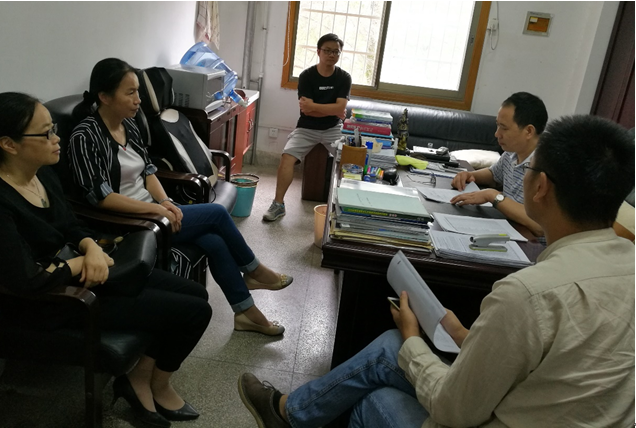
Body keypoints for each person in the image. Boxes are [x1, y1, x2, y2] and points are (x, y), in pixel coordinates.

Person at [238, 114, 635, 427]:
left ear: (541, 186)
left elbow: (453, 410)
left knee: (376, 396)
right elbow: (552, 364)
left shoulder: (527, 293)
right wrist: (465, 335)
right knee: (391, 347)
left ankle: (294, 415)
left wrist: (414, 338)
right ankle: (289, 413)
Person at [0, 92, 214, 427]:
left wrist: (92, 247)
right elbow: (25, 278)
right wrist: (80, 263)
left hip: (83, 274)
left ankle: (139, 378)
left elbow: (70, 225)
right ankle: (155, 384)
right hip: (52, 301)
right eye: (46, 133)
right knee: (195, 312)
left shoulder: (42, 174)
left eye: (54, 129)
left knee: (195, 293)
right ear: (8, 144)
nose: (57, 139)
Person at [69, 58, 291, 336]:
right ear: (104, 96)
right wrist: (156, 211)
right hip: (125, 223)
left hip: (153, 211)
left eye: (138, 91)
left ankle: (247, 314)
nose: (138, 100)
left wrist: (165, 202)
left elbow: (149, 172)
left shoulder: (129, 125)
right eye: (130, 92)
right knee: (217, 213)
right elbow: (101, 198)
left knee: (214, 242)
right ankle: (254, 271)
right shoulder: (85, 136)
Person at [262, 33, 352, 221]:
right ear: (318, 52)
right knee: (287, 158)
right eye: (327, 51)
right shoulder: (307, 76)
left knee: (349, 162)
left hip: (333, 128)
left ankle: (345, 208)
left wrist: (318, 108)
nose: (332, 55)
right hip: (306, 128)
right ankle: (278, 204)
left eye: (336, 52)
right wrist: (332, 110)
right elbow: (307, 110)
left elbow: (339, 108)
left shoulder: (344, 77)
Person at [450, 92, 548, 237]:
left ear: (528, 131)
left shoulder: (545, 167)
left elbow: (539, 225)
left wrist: (492, 195)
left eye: (504, 128)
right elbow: (493, 174)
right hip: (507, 228)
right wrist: (469, 175)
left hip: (530, 243)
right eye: (498, 125)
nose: (497, 134)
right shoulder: (511, 153)